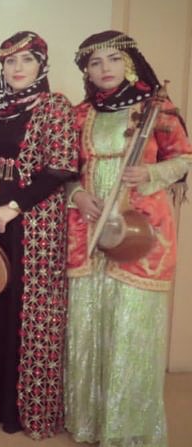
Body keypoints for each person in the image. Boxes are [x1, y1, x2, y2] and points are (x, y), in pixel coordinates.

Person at [65, 30, 191, 447]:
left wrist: (150, 172)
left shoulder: (157, 108)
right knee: (89, 321)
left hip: (141, 230)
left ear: (131, 63)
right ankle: (90, 422)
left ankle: (129, 430)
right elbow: (64, 170)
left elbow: (184, 158)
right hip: (89, 228)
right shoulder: (80, 114)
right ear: (86, 70)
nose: (105, 68)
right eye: (95, 62)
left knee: (131, 325)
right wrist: (77, 195)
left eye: (114, 59)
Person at [0, 31, 78, 438]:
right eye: (10, 62)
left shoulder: (54, 106)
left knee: (28, 310)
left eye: (26, 60)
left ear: (41, 65)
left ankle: (28, 410)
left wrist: (14, 206)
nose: (17, 69)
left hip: (35, 223)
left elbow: (61, 167)